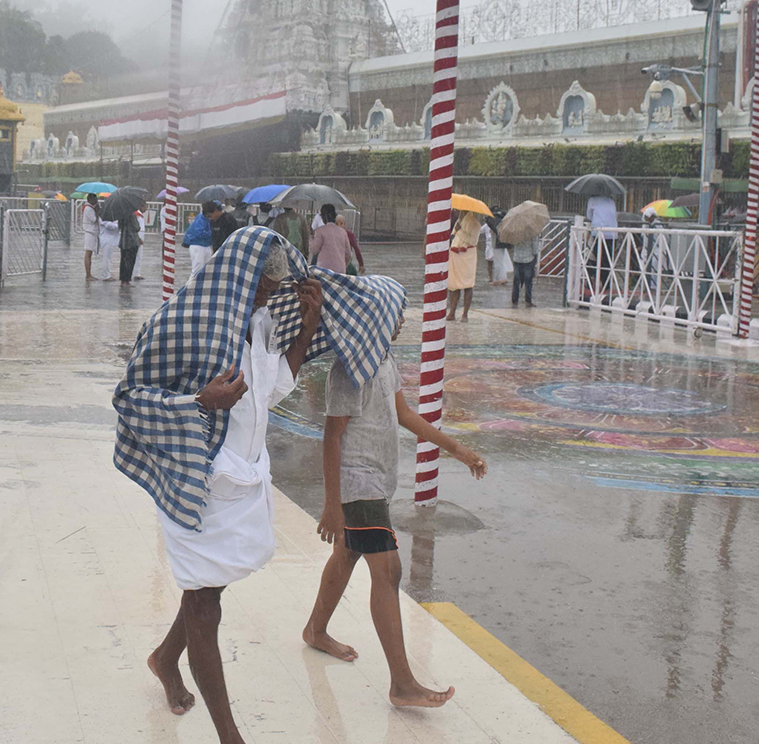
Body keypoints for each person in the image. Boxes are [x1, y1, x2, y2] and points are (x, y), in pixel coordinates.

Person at [114, 227, 401, 743]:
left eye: (273, 291)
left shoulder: (260, 323)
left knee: (211, 583)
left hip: (242, 478)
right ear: (236, 277)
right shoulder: (182, 321)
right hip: (194, 476)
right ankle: (231, 737)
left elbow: (270, 389)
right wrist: (198, 403)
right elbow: (130, 396)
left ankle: (163, 658)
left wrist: (309, 326)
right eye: (261, 289)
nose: (267, 297)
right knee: (205, 601)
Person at [303, 311, 487, 708]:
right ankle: (402, 683)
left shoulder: (383, 359)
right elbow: (331, 439)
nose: (399, 322)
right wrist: (332, 504)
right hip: (357, 483)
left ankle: (315, 631)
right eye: (392, 316)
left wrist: (456, 449)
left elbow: (403, 414)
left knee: (348, 554)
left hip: (378, 479)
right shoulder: (347, 371)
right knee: (389, 569)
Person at [446, 210, 483, 322]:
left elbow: (473, 240)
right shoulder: (459, 221)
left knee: (468, 285)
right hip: (455, 254)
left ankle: (465, 314)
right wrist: (456, 230)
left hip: (467, 256)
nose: (458, 212)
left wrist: (460, 232)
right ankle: (452, 312)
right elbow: (453, 236)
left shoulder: (475, 224)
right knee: (453, 284)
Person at [585, 194, 618, 295]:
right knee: (608, 260)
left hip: (599, 233)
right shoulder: (611, 201)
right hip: (612, 233)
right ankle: (607, 284)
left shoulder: (592, 200)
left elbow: (589, 216)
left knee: (598, 258)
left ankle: (598, 282)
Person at [310, 204, 352, 274]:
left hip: (323, 270)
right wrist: (342, 265)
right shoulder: (343, 232)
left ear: (323, 217)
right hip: (340, 270)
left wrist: (312, 239)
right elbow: (348, 254)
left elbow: (314, 250)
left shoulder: (320, 231)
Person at [183, 201, 219, 280]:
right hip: (198, 246)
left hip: (205, 245)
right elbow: (199, 233)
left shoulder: (205, 219)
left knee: (205, 269)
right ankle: (190, 287)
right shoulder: (201, 219)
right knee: (197, 270)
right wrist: (212, 233)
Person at [510, 232, 541, 307]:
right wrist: (535, 260)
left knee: (516, 281)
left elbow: (512, 244)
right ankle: (528, 300)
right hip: (528, 259)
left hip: (517, 258)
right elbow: (535, 248)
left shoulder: (515, 231)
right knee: (528, 282)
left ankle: (514, 300)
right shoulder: (533, 232)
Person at [117, 211, 140, 286]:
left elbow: (119, 226)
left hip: (123, 241)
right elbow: (137, 228)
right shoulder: (132, 215)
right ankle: (127, 280)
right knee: (130, 261)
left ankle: (122, 280)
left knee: (123, 261)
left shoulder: (121, 215)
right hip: (131, 241)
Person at [81, 192, 100, 281]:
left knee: (90, 253)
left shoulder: (90, 208)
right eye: (95, 199)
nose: (96, 201)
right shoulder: (88, 209)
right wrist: (97, 211)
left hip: (93, 232)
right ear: (91, 200)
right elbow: (94, 219)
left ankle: (89, 274)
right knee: (88, 253)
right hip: (89, 232)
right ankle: (88, 275)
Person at [98, 213, 119, 281]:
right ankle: (106, 275)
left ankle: (107, 274)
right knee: (106, 258)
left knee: (108, 257)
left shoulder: (109, 215)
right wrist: (119, 226)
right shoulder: (103, 215)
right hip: (106, 239)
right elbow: (109, 226)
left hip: (109, 239)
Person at [132, 210, 146, 280]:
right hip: (139, 234)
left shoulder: (139, 214)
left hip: (141, 233)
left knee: (139, 255)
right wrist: (138, 237)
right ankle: (136, 273)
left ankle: (137, 273)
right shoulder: (136, 214)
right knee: (137, 254)